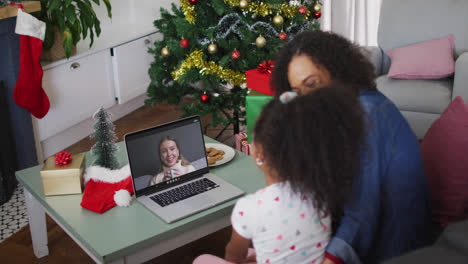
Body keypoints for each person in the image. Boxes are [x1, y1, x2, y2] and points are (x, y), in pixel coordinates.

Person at [271, 30, 431, 264]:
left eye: (312, 84)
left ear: (336, 72)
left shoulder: (366, 115)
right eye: (298, 92)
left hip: (392, 243)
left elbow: (363, 212)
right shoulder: (343, 106)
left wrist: (330, 259)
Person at [193, 84, 367, 264]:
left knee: (202, 259)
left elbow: (234, 256)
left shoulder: (249, 207)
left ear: (259, 153)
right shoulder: (322, 194)